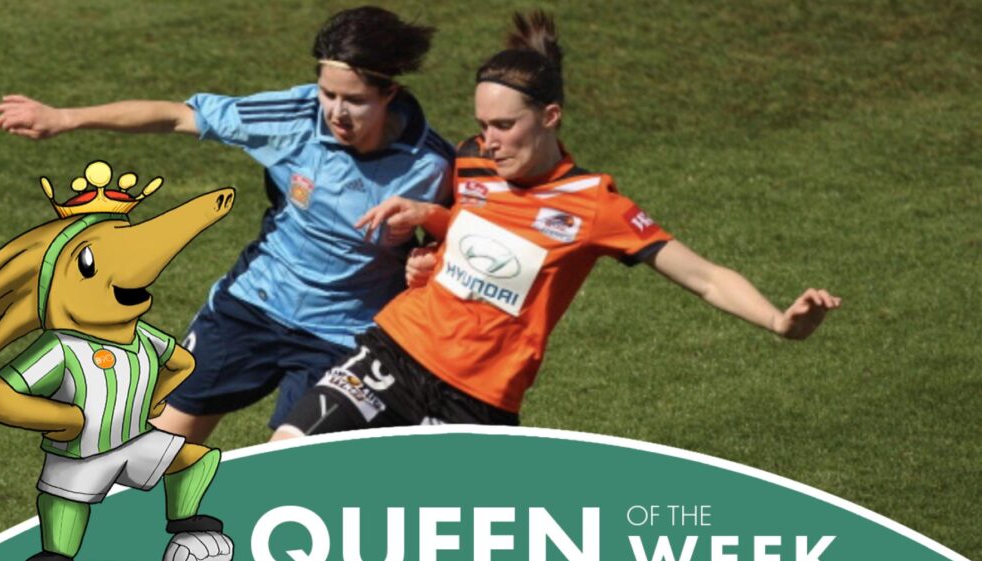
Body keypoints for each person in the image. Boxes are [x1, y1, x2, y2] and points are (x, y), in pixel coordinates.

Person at [272, 11, 841, 439]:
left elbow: (705, 277)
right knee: (289, 449)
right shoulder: (470, 162)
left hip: (478, 400)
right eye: (482, 125)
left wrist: (779, 321)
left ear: (549, 118)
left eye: (504, 125)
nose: (489, 140)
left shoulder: (595, 206)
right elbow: (464, 233)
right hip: (396, 352)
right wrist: (432, 225)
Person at [0, 7, 454, 442]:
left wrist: (427, 258)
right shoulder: (291, 118)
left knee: (294, 464)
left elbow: (460, 238)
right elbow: (177, 116)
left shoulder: (431, 164)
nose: (336, 112)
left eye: (354, 100)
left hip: (344, 335)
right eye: (328, 94)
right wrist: (64, 118)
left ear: (389, 92)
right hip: (253, 307)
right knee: (154, 449)